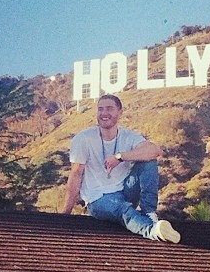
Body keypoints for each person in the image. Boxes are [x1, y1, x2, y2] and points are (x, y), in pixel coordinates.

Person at [62, 94, 180, 243]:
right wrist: (65, 213)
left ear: (120, 112)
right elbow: (76, 173)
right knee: (122, 209)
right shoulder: (84, 138)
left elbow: (155, 151)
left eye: (109, 108)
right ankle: (152, 230)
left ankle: (149, 212)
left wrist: (120, 157)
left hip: (125, 190)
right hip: (98, 198)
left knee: (149, 161)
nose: (104, 113)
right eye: (100, 109)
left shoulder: (128, 136)